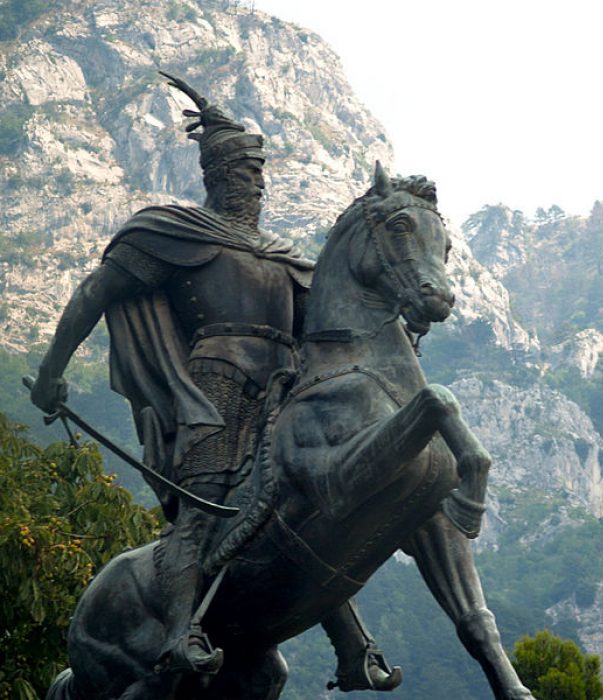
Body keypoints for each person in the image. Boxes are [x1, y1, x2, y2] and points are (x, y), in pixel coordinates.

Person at [31, 73, 401, 689]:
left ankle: (352, 646)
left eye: (257, 176)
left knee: (310, 501)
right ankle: (179, 632)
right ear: (215, 178)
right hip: (211, 390)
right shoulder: (176, 233)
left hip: (288, 392)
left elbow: (331, 329)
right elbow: (98, 290)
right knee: (200, 515)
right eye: (239, 176)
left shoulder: (286, 257)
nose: (251, 185)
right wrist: (50, 373)